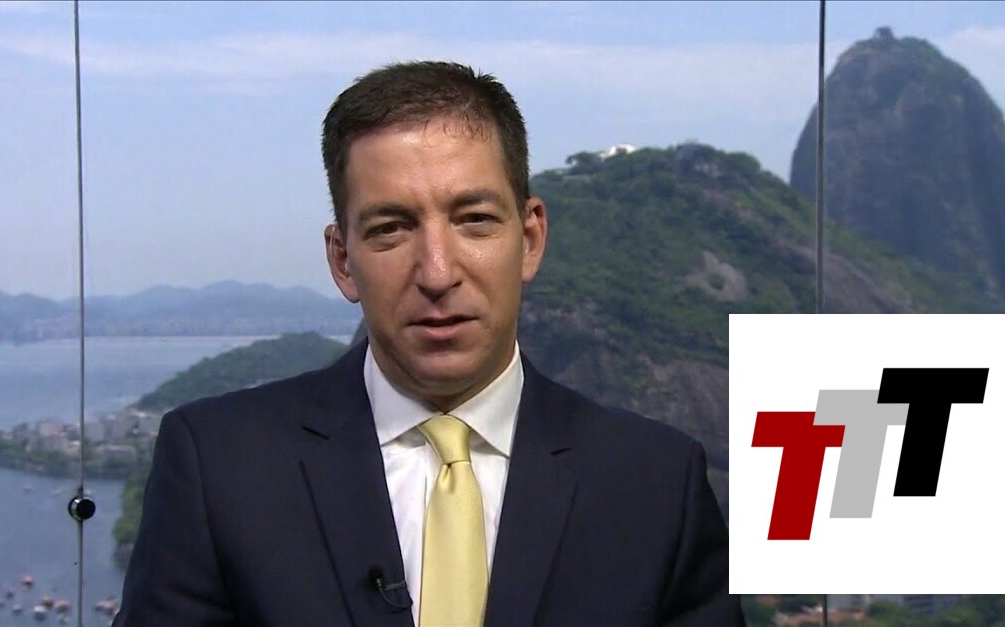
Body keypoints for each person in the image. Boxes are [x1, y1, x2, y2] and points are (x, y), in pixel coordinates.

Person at [114, 61, 742, 626]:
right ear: (342, 260)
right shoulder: (219, 467)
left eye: (475, 221)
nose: (438, 273)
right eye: (391, 228)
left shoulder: (656, 483)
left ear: (529, 240)